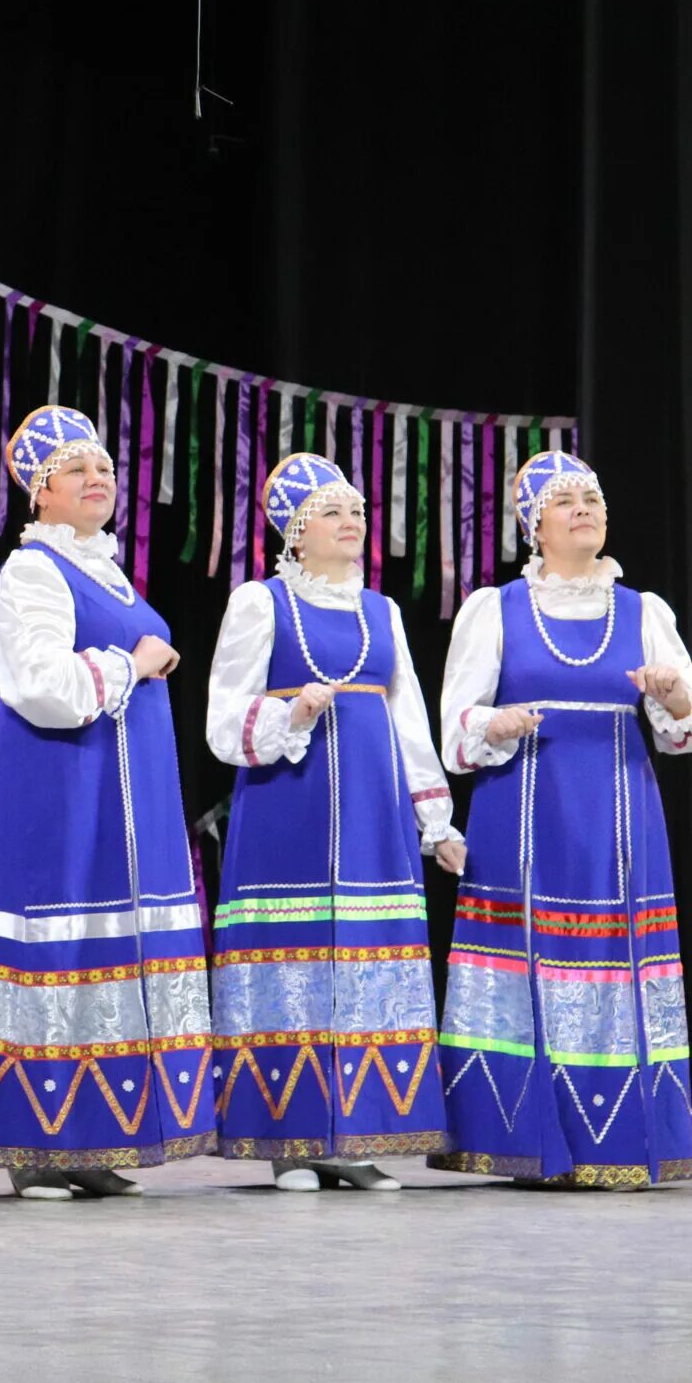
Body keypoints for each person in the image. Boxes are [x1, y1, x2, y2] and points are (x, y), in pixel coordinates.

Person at [0, 406, 217, 1200]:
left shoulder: (107, 568)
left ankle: (91, 1135)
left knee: (112, 944)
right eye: (77, 471)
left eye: (104, 466)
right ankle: (31, 1142)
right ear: (40, 493)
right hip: (55, 783)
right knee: (55, 941)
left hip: (122, 789)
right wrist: (131, 664)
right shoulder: (33, 570)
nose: (99, 478)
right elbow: (41, 688)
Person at [430, 449, 692, 1189]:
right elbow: (456, 730)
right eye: (566, 502)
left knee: (609, 960)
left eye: (592, 497)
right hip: (522, 812)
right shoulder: (492, 609)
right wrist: (493, 725)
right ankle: (520, 1139)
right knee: (524, 958)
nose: (585, 509)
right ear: (536, 526)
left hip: (617, 818)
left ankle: (614, 1142)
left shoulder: (643, 611)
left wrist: (675, 697)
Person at [204, 453, 460, 1190]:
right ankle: (290, 1139)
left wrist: (434, 819)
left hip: (373, 814)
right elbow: (224, 717)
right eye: (334, 512)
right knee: (298, 957)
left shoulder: (382, 611)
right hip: (291, 801)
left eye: (358, 512)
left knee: (366, 960)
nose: (352, 523)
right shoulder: (261, 603)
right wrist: (292, 713)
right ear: (295, 530)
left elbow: (408, 717)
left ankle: (356, 1135)